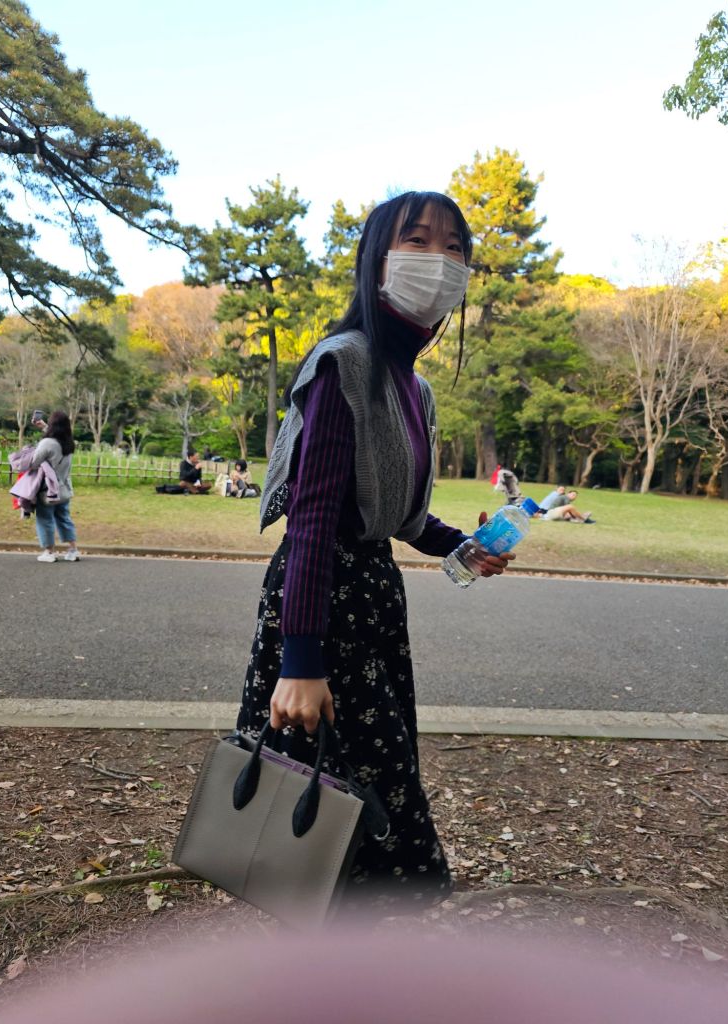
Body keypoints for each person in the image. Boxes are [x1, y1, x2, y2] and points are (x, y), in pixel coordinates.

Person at [237, 191, 514, 912]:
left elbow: (398, 516)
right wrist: (300, 663)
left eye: (454, 247)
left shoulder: (414, 388)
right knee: (322, 796)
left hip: (372, 602)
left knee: (360, 796)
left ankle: (344, 950)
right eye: (417, 240)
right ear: (376, 259)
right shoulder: (345, 364)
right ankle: (329, 953)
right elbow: (314, 520)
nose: (439, 260)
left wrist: (463, 546)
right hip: (322, 605)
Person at [29, 410, 80, 562]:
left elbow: (33, 463)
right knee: (64, 518)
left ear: (53, 424)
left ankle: (49, 552)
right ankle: (73, 550)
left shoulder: (47, 443)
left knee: (45, 519)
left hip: (48, 490)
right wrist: (44, 427)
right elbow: (56, 441)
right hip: (64, 489)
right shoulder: (69, 443)